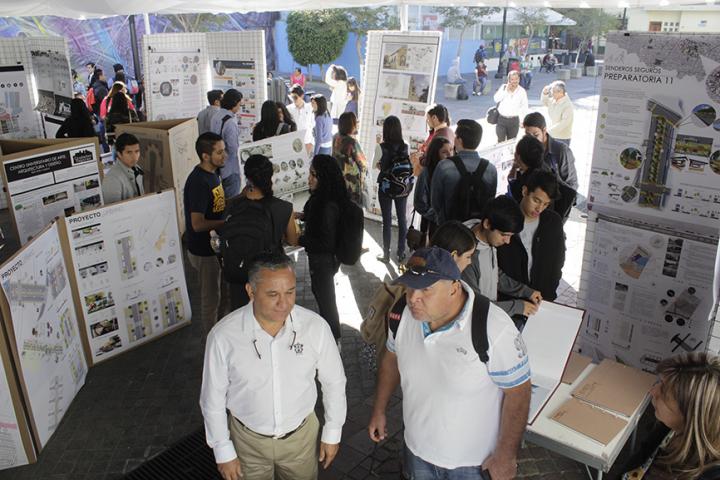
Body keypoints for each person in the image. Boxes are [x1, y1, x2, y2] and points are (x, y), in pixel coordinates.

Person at [368, 246, 531, 480]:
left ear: (454, 289)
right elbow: (391, 359)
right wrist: (379, 409)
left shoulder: (494, 328)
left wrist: (506, 456)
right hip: (417, 453)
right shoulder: (402, 314)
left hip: (473, 464)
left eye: (426, 289)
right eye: (409, 287)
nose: (413, 298)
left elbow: (519, 392)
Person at [200, 252, 346, 480]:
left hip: (301, 440)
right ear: (251, 291)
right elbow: (212, 398)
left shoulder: (315, 328)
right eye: (272, 294)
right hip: (247, 443)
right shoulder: (223, 336)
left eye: (290, 292)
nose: (284, 303)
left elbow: (334, 382)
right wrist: (223, 450)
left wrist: (332, 431)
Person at [361, 221, 477, 361]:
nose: (470, 262)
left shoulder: (414, 269)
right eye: (468, 256)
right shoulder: (429, 300)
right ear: (453, 256)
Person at [621, 352, 720, 480]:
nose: (653, 391)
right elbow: (643, 454)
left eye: (664, 393)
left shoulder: (710, 475)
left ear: (691, 416)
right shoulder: (669, 427)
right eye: (660, 382)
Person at [226, 155, 299, 310]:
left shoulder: (233, 207)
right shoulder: (284, 208)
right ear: (270, 176)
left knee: (242, 321)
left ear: (247, 177)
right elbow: (293, 240)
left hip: (239, 275)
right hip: (269, 276)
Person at [462, 196, 543, 321]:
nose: (507, 241)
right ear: (487, 224)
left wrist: (526, 291)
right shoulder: (466, 257)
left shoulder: (487, 240)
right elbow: (475, 306)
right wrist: (517, 307)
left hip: (490, 317)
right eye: (504, 235)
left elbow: (495, 276)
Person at [298, 155, 349, 341]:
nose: (309, 179)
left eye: (314, 175)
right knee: (322, 296)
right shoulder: (323, 198)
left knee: (326, 302)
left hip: (323, 261)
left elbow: (325, 243)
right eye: (310, 173)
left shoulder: (326, 204)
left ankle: (334, 341)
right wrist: (302, 216)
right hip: (323, 261)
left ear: (324, 177)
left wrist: (299, 240)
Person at [497, 170, 565, 305]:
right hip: (509, 303)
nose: (539, 208)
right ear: (525, 191)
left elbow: (558, 261)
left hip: (541, 301)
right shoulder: (505, 219)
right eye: (536, 200)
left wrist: (549, 294)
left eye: (546, 204)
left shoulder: (553, 222)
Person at [184, 132, 227, 335]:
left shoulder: (213, 174)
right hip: (204, 251)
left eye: (224, 150)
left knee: (219, 294)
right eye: (219, 152)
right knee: (210, 299)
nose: (224, 155)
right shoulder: (199, 182)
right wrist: (226, 223)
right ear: (205, 156)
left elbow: (217, 207)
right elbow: (197, 224)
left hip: (214, 249)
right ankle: (211, 342)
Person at [430, 119, 497, 225]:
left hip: (449, 227)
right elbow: (491, 200)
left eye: (455, 136)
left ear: (459, 140)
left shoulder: (444, 166)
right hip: (478, 228)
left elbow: (435, 202)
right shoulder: (490, 169)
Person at [374, 115, 409, 263]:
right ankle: (401, 253)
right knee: (402, 220)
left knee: (387, 221)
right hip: (402, 187)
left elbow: (376, 165)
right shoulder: (405, 146)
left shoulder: (381, 147)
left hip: (386, 187)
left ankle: (386, 254)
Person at [522, 112, 578, 190]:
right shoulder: (526, 149)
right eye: (528, 135)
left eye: (536, 135)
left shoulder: (561, 151)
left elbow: (572, 188)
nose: (532, 140)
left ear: (544, 131)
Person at [414, 136, 453, 239]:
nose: (450, 155)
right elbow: (419, 203)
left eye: (451, 150)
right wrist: (437, 217)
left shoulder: (454, 170)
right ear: (436, 154)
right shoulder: (426, 173)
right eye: (444, 152)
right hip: (432, 225)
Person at [210, 88, 243, 199]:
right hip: (230, 168)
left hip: (217, 167)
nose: (239, 108)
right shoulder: (230, 122)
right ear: (234, 104)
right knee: (232, 203)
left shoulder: (216, 116)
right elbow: (233, 149)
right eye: (239, 105)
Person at [332, 112, 366, 205]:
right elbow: (362, 163)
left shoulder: (336, 137)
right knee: (352, 206)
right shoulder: (352, 142)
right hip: (351, 181)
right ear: (351, 125)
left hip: (337, 176)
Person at [411, 104, 453, 176]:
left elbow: (430, 160)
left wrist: (420, 157)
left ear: (434, 118)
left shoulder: (439, 136)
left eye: (428, 119)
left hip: (432, 174)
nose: (427, 122)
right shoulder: (448, 131)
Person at [101, 133, 144, 204]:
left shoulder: (137, 168)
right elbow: (113, 211)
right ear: (119, 154)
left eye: (137, 151)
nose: (134, 157)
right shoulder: (112, 179)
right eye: (129, 152)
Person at [507, 134, 546, 202]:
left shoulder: (524, 184)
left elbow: (512, 188)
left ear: (518, 156)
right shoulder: (543, 167)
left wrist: (514, 168)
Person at [493, 71, 528, 143]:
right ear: (509, 80)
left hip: (514, 120)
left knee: (511, 143)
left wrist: (522, 120)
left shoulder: (522, 91)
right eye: (512, 79)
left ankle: (509, 154)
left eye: (516, 79)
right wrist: (506, 91)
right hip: (501, 119)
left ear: (519, 79)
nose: (514, 81)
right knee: (500, 141)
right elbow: (496, 99)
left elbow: (524, 107)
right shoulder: (503, 87)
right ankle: (500, 154)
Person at [540, 81, 574, 146]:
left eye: (553, 91)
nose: (552, 93)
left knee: (559, 156)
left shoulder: (567, 105)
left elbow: (564, 123)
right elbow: (544, 102)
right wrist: (544, 93)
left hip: (562, 138)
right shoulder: (553, 100)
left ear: (560, 92)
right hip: (552, 135)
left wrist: (548, 131)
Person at [287, 85, 314, 153]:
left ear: (302, 96)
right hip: (293, 144)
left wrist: (311, 143)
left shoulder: (310, 108)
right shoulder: (288, 109)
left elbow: (313, 125)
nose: (293, 100)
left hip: (307, 142)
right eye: (291, 98)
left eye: (295, 97)